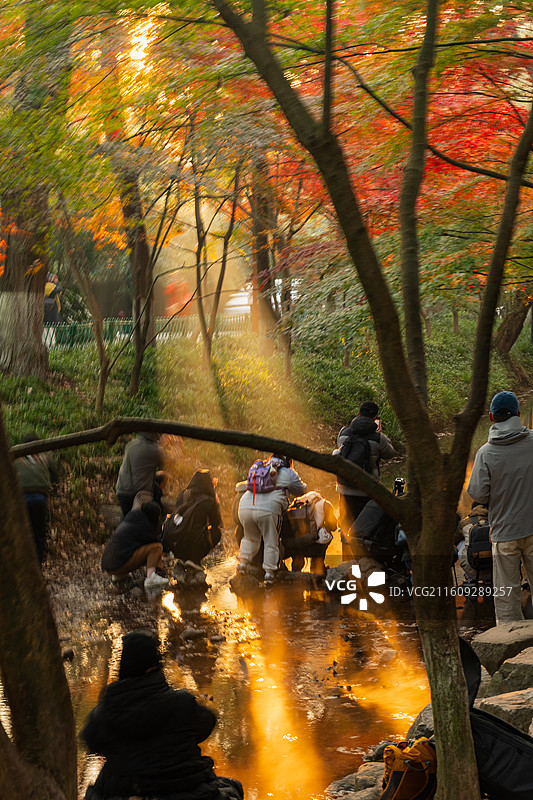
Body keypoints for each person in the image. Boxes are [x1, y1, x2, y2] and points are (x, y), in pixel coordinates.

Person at [81, 630, 244, 800]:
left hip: (129, 794)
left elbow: (91, 742)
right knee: (233, 787)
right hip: (191, 793)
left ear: (123, 667)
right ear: (156, 666)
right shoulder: (182, 702)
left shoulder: (105, 713)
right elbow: (208, 723)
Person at [467, 390, 533, 624]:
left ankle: (508, 650)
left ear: (491, 417)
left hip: (505, 533)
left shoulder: (486, 453)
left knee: (507, 596)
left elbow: (478, 494)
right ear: (517, 413)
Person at [335, 401, 397, 556]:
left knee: (345, 525)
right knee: (365, 530)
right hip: (367, 490)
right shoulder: (378, 438)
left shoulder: (344, 433)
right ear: (375, 417)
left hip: (344, 488)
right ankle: (363, 563)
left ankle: (346, 564)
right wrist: (381, 433)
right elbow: (390, 453)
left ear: (358, 414)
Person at [238, 454, 307, 583]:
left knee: (250, 537)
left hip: (245, 506)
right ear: (289, 461)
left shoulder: (259, 467)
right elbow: (302, 490)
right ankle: (269, 574)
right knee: (271, 540)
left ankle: (242, 564)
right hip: (268, 510)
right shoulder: (288, 472)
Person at [101, 498, 169, 590]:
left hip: (109, 566)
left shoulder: (131, 520)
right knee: (157, 547)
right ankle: (151, 578)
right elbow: (156, 542)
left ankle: (119, 575)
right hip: (118, 565)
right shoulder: (144, 525)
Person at [14, 433, 59, 565]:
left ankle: (23, 566)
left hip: (21, 498)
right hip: (39, 498)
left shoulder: (15, 454)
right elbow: (56, 473)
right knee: (39, 536)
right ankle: (37, 568)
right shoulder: (45, 455)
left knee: (23, 534)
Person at [163, 469, 223, 564]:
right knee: (216, 532)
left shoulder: (183, 494)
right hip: (194, 546)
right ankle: (195, 560)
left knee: (188, 530)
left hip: (175, 545)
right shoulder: (208, 501)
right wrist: (216, 502)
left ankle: (182, 560)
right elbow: (217, 522)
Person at [116, 432, 165, 518]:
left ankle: (122, 528)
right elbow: (172, 461)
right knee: (153, 516)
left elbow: (138, 471)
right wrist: (175, 446)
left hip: (122, 491)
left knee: (127, 518)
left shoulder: (131, 444)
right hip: (138, 495)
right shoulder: (153, 450)